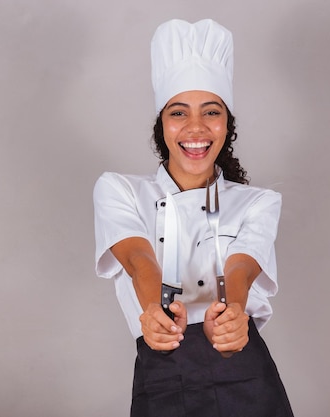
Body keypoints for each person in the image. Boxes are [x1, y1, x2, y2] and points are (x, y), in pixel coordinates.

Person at [93, 19, 293, 416]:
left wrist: (231, 312)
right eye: (179, 113)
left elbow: (243, 265)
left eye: (211, 112)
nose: (196, 128)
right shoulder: (119, 190)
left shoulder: (259, 202)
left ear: (227, 124)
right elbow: (138, 259)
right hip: (165, 369)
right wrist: (156, 311)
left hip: (245, 371)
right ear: (161, 123)